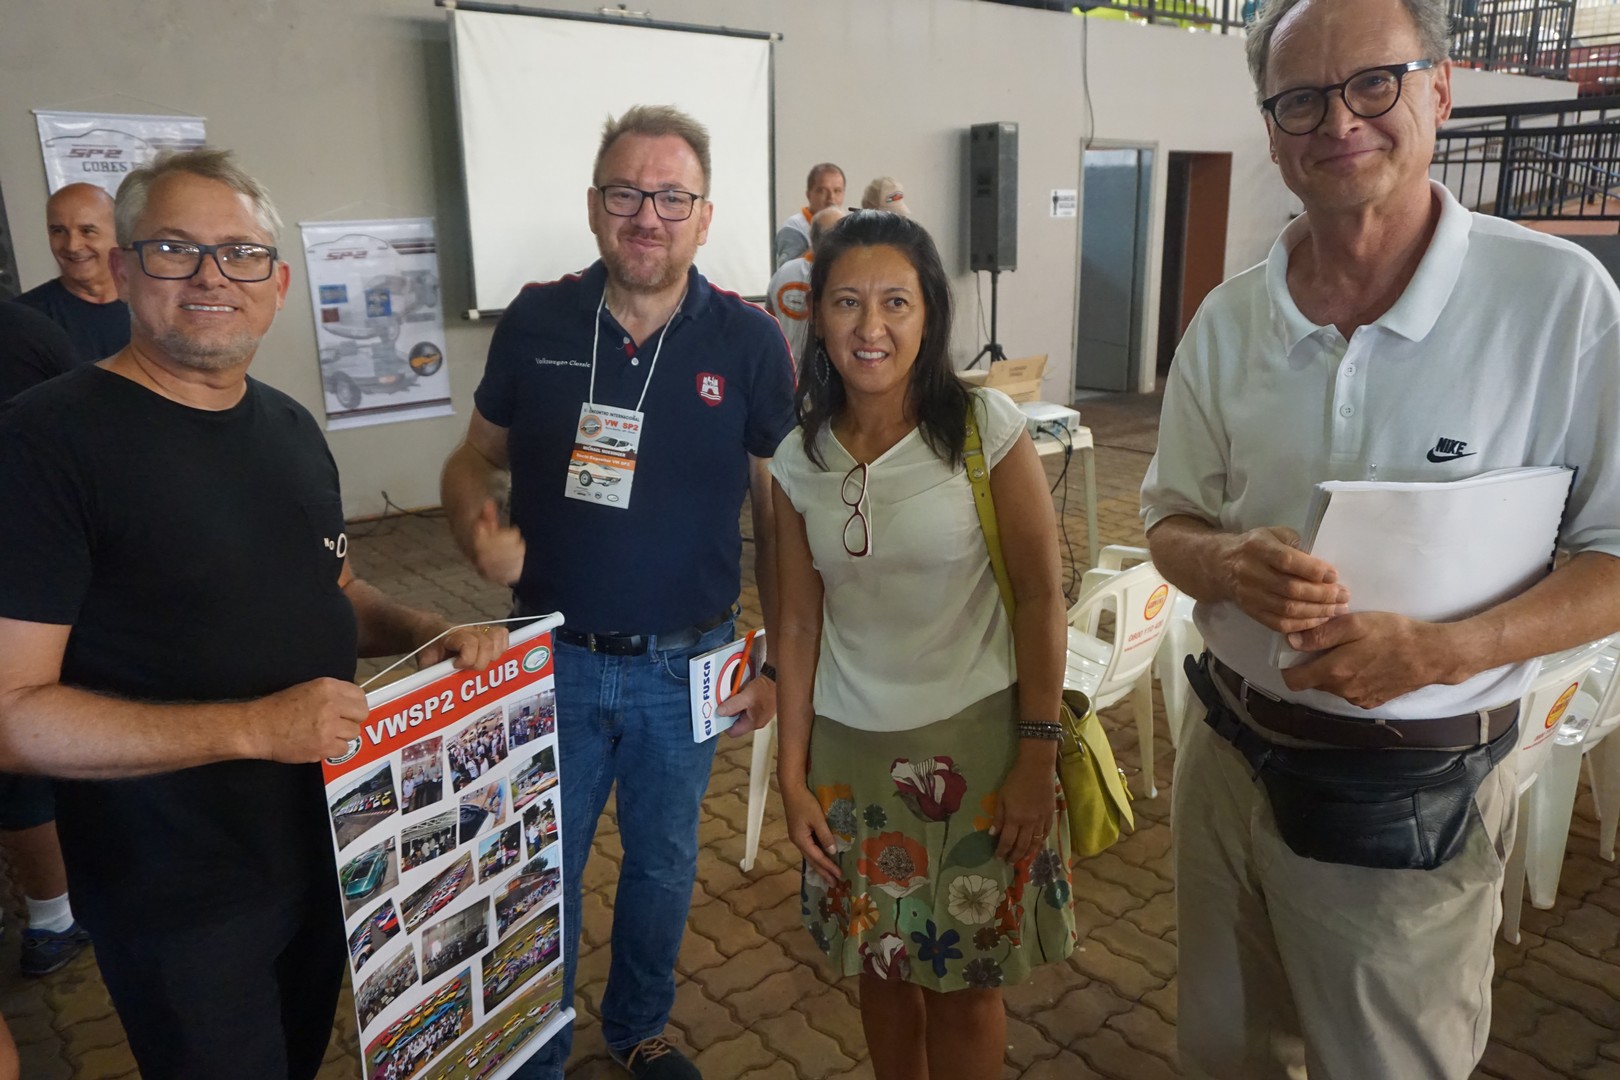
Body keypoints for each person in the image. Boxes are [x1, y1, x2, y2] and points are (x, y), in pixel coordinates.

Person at [1140, 0, 1620, 1075]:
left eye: (1373, 82)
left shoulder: (1559, 306)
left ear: (1440, 90)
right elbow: (1167, 519)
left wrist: (1451, 651)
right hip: (1226, 757)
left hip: (1417, 794)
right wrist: (1224, 563)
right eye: (1301, 99)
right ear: (1273, 130)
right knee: (1226, 1054)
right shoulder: (1228, 320)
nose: (1339, 121)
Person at [0, 148, 510, 1080]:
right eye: (175, 249)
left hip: (327, 841)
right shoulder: (45, 441)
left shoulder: (290, 428)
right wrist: (253, 728)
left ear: (276, 287)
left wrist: (419, 631)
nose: (211, 277)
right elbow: (12, 714)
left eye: (240, 254)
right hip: (178, 890)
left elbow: (335, 592)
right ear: (121, 269)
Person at [442, 104, 795, 1079]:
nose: (648, 216)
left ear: (705, 216)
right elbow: (470, 460)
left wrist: (774, 657)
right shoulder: (537, 319)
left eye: (672, 197)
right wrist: (475, 527)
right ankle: (536, 1045)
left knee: (663, 866)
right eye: (627, 193)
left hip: (688, 667)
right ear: (595, 206)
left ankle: (639, 1029)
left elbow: (779, 516)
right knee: (537, 867)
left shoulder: (750, 341)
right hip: (548, 660)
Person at [772, 210, 1076, 1080]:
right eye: (847, 302)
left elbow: (1041, 597)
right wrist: (791, 776)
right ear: (817, 316)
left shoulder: (984, 429)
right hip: (850, 758)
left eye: (895, 302)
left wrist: (1037, 753)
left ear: (930, 314)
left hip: (976, 748)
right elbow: (798, 624)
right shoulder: (799, 459)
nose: (870, 327)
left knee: (965, 984)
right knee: (880, 968)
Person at [14, 183, 130, 364]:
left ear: (119, 233)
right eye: (58, 231)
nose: (72, 246)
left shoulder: (153, 306)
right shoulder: (23, 319)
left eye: (87, 231)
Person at [766, 205, 844, 364]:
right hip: (827, 370)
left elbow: (769, 322)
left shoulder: (782, 273)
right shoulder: (842, 277)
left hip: (786, 367)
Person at [775, 161, 845, 269]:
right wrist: (824, 243)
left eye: (837, 191)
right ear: (808, 194)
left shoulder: (847, 225)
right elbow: (786, 271)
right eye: (822, 191)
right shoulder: (794, 228)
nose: (831, 198)